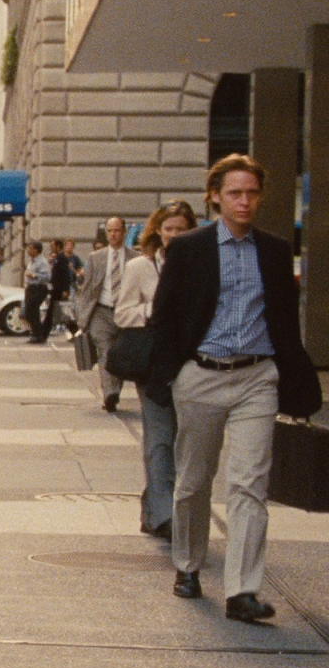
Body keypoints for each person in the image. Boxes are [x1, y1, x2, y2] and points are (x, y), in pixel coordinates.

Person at [148, 155, 321, 621]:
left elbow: (284, 319)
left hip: (256, 378)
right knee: (194, 480)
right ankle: (188, 564)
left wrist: (293, 377)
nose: (244, 201)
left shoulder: (275, 250)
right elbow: (164, 316)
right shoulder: (190, 248)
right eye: (235, 193)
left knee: (249, 484)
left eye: (252, 193)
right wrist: (174, 375)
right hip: (200, 376)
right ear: (215, 197)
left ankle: (242, 590)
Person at [117, 201, 196, 540]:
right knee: (159, 439)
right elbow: (123, 314)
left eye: (181, 229)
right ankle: (165, 516)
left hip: (192, 364)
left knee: (186, 441)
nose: (174, 236)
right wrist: (157, 308)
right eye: (169, 229)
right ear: (158, 232)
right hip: (154, 366)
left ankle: (155, 508)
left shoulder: (200, 265)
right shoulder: (140, 267)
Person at [80, 216, 133, 411]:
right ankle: (109, 393)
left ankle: (115, 390)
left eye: (116, 230)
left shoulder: (135, 258)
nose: (113, 234)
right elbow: (86, 289)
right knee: (105, 351)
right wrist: (82, 317)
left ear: (124, 232)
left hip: (126, 313)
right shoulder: (96, 258)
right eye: (109, 231)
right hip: (101, 311)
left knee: (120, 354)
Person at [51, 238, 82, 336]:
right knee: (57, 308)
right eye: (67, 245)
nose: (69, 248)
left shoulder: (75, 259)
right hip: (58, 286)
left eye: (71, 246)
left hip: (70, 285)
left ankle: (74, 328)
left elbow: (78, 273)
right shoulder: (59, 257)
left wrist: (72, 269)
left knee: (68, 308)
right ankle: (56, 326)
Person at [23, 242, 51, 343]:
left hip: (38, 288)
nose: (28, 250)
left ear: (36, 250)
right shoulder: (31, 261)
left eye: (30, 248)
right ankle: (36, 332)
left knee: (32, 310)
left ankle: (38, 335)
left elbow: (47, 277)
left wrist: (34, 275)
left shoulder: (42, 262)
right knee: (28, 312)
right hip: (30, 288)